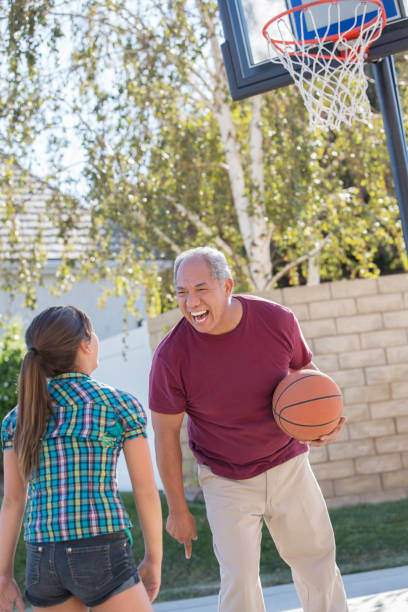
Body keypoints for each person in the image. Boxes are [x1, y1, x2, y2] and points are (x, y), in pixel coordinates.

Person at [149, 246, 349, 612]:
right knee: (239, 580)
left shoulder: (276, 320)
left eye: (201, 288)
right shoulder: (171, 356)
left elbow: (307, 376)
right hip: (225, 478)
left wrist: (327, 420)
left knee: (318, 565)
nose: (190, 301)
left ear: (227, 286)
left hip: (288, 464)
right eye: (181, 292)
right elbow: (164, 436)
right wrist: (177, 508)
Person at [0, 305, 162, 612]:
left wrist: (3, 574)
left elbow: (12, 501)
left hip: (42, 556)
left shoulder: (16, 419)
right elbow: (145, 490)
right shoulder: (119, 405)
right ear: (85, 344)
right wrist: (153, 559)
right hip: (102, 549)